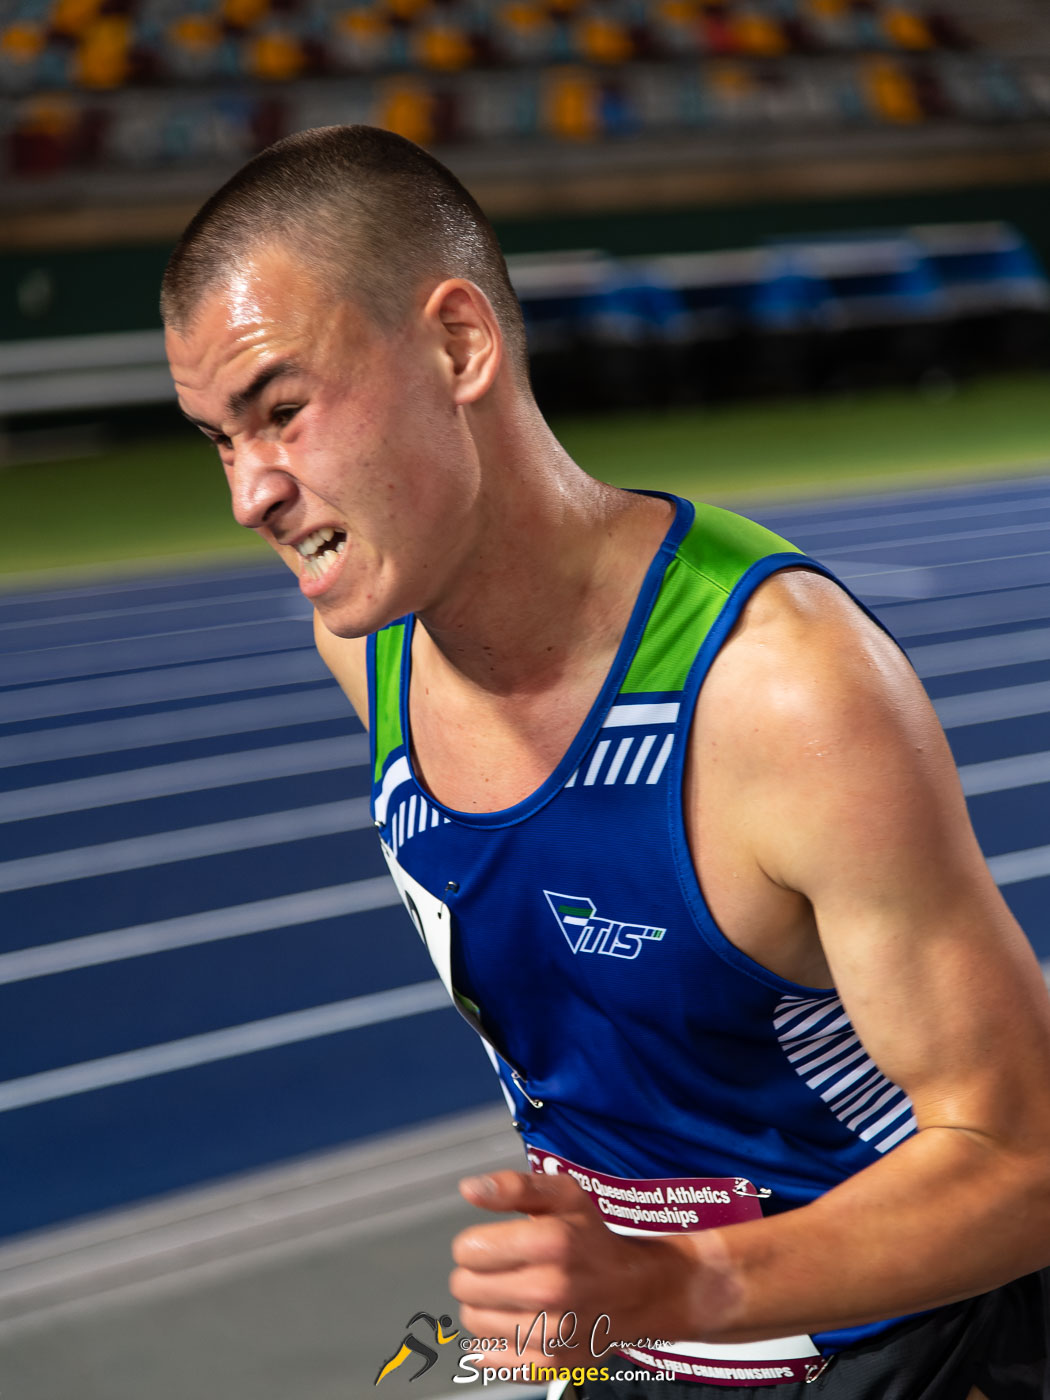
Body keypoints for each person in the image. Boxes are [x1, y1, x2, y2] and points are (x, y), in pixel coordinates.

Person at [161, 125, 1050, 1400]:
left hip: (903, 1349)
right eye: (217, 439)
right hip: (619, 1344)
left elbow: (1024, 1158)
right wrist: (614, 1289)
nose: (251, 491)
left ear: (459, 344)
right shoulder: (370, 649)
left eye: (281, 410)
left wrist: (683, 1279)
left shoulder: (780, 693)